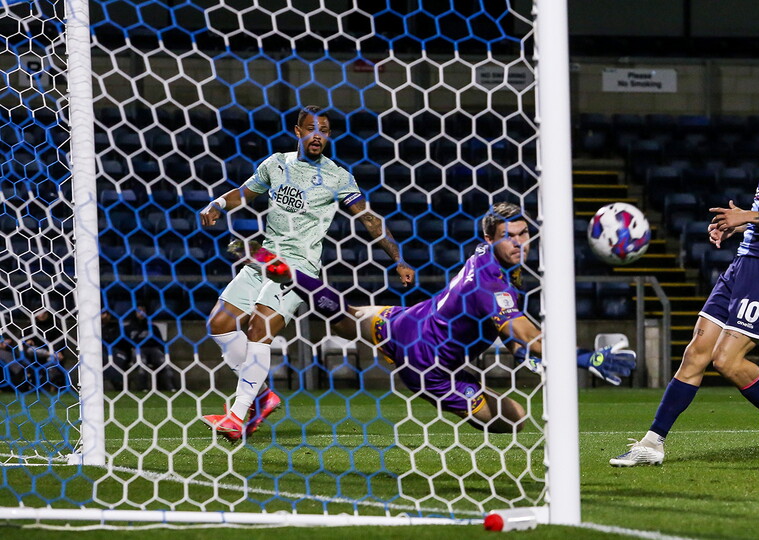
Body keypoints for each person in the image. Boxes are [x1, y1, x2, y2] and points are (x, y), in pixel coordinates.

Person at [204, 202, 637, 440]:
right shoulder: (492, 284)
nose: (519, 242)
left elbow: (514, 337)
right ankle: (283, 272)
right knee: (513, 420)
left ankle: (281, 270)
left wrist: (522, 350)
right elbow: (528, 336)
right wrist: (586, 358)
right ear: (489, 238)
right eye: (509, 236)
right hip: (429, 368)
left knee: (346, 318)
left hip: (408, 322)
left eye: (523, 234)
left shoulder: (492, 260)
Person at [609, 87, 759, 467]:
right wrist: (736, 228)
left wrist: (747, 215)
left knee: (726, 360)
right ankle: (652, 443)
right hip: (743, 263)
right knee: (696, 351)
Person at [199, 106, 415, 437]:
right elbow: (244, 194)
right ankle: (262, 395)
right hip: (263, 257)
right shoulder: (276, 164)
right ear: (298, 131)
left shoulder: (337, 176)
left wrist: (398, 259)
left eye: (324, 131)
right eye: (311, 129)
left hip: (297, 268)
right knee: (220, 324)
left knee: (259, 328)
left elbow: (370, 220)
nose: (318, 136)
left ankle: (237, 416)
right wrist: (218, 204)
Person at [124, 305, 178, 391]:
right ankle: (143, 387)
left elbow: (160, 342)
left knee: (164, 362)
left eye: (143, 311)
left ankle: (170, 387)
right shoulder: (128, 328)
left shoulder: (153, 327)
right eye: (139, 311)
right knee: (142, 363)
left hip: (153, 349)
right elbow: (125, 343)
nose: (141, 313)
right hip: (137, 349)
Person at [20, 308, 69, 392]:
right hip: (37, 352)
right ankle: (49, 354)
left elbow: (61, 340)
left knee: (51, 361)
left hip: (53, 351)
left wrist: (58, 350)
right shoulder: (32, 325)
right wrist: (28, 340)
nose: (41, 315)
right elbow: (22, 338)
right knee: (31, 350)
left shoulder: (55, 324)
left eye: (43, 313)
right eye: (39, 313)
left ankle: (53, 385)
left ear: (47, 313)